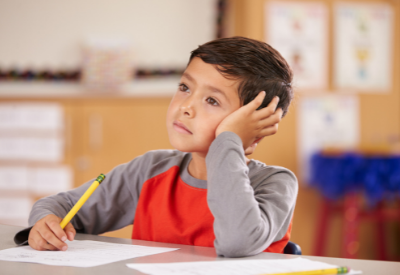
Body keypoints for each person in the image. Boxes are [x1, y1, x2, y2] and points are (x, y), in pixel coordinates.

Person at [14, 36, 298, 258]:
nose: (185, 106)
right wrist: (46, 223)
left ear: (255, 127)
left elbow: (237, 241)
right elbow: (59, 205)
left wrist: (229, 140)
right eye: (185, 88)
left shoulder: (275, 183)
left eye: (212, 101)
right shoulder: (150, 171)